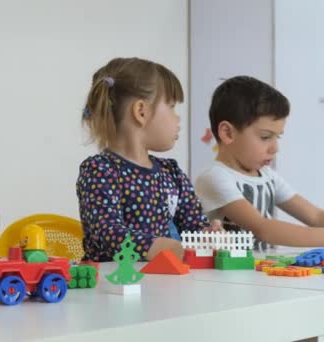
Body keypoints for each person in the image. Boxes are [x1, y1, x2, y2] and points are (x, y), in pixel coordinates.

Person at [76, 57, 220, 262]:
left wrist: (209, 234)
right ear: (141, 111)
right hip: (115, 286)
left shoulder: (171, 172)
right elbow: (107, 233)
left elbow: (194, 226)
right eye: (171, 107)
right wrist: (162, 247)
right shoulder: (100, 171)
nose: (177, 119)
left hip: (162, 281)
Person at [196, 75, 324, 249]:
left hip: (259, 274)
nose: (275, 148)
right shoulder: (215, 178)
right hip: (225, 275)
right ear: (227, 133)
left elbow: (315, 216)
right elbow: (262, 228)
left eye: (277, 137)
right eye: (265, 137)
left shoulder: (267, 176)